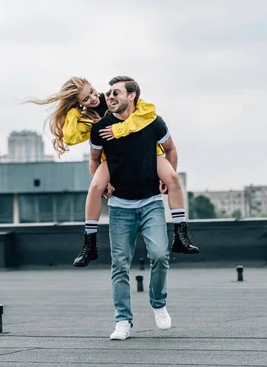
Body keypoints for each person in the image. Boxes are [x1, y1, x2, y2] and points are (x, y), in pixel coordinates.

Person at [29, 77, 198, 268]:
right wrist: (75, 111)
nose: (94, 98)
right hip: (114, 159)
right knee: (94, 187)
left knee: (173, 178)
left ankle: (181, 235)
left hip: (146, 154)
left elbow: (147, 112)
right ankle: (89, 244)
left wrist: (119, 130)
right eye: (85, 99)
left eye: (92, 91)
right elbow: (70, 137)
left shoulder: (114, 97)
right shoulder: (86, 116)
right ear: (79, 103)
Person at [89, 76, 179, 340]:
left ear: (132, 96)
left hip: (151, 202)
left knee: (161, 254)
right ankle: (123, 321)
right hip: (119, 207)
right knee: (120, 264)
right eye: (108, 93)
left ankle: (158, 303)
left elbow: (171, 149)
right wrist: (102, 184)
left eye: (116, 92)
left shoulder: (153, 121)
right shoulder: (101, 127)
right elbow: (94, 160)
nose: (110, 96)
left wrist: (168, 177)